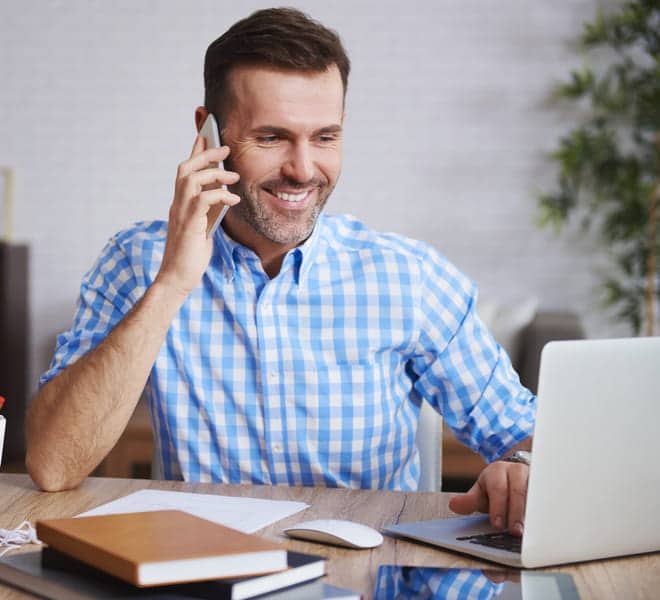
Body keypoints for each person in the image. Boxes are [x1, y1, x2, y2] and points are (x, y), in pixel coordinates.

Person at [27, 7, 534, 537]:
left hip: (369, 575)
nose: (303, 169)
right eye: (271, 137)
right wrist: (172, 283)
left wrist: (520, 473)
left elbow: (524, 434)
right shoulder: (138, 261)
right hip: (207, 574)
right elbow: (53, 465)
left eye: (325, 137)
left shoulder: (410, 279)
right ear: (208, 134)